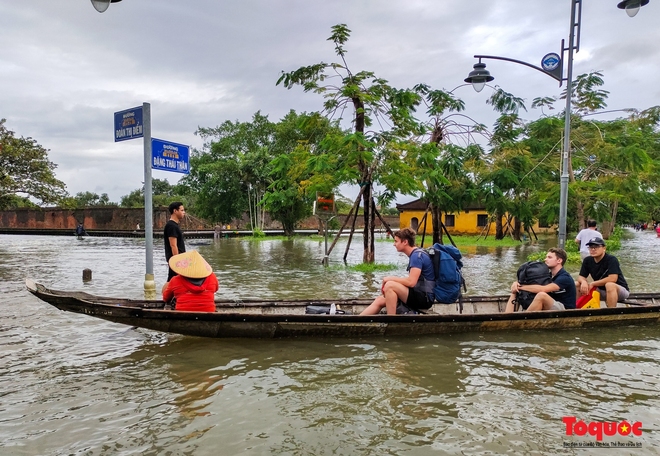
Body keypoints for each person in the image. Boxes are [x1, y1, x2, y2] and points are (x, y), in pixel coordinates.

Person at [360, 228, 435, 315]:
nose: (394, 244)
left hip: (424, 298)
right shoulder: (416, 254)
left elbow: (411, 282)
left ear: (405, 242)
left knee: (390, 285)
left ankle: (391, 321)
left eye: (396, 241)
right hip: (417, 294)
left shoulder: (416, 256)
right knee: (380, 300)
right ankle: (355, 322)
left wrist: (389, 279)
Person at [505, 248, 576, 313]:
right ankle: (507, 317)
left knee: (541, 295)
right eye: (546, 257)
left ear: (559, 260)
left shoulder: (564, 277)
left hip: (565, 310)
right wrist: (516, 284)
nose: (545, 259)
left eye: (549, 257)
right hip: (551, 305)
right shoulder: (548, 275)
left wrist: (520, 287)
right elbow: (533, 285)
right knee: (516, 292)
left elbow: (543, 289)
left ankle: (522, 319)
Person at [576, 237, 629, 308]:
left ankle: (611, 312)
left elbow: (613, 278)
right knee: (577, 284)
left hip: (618, 291)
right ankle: (577, 309)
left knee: (609, 285)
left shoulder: (611, 260)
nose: (593, 249)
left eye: (596, 247)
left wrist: (593, 283)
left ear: (604, 248)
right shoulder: (587, 260)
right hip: (600, 290)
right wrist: (583, 282)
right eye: (591, 247)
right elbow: (581, 276)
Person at [164, 201, 186, 284]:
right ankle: (165, 296)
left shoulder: (174, 225)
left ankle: (167, 296)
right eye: (182, 210)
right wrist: (177, 262)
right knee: (171, 281)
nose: (184, 212)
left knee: (172, 280)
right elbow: (173, 245)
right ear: (175, 211)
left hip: (177, 260)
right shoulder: (171, 226)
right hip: (176, 260)